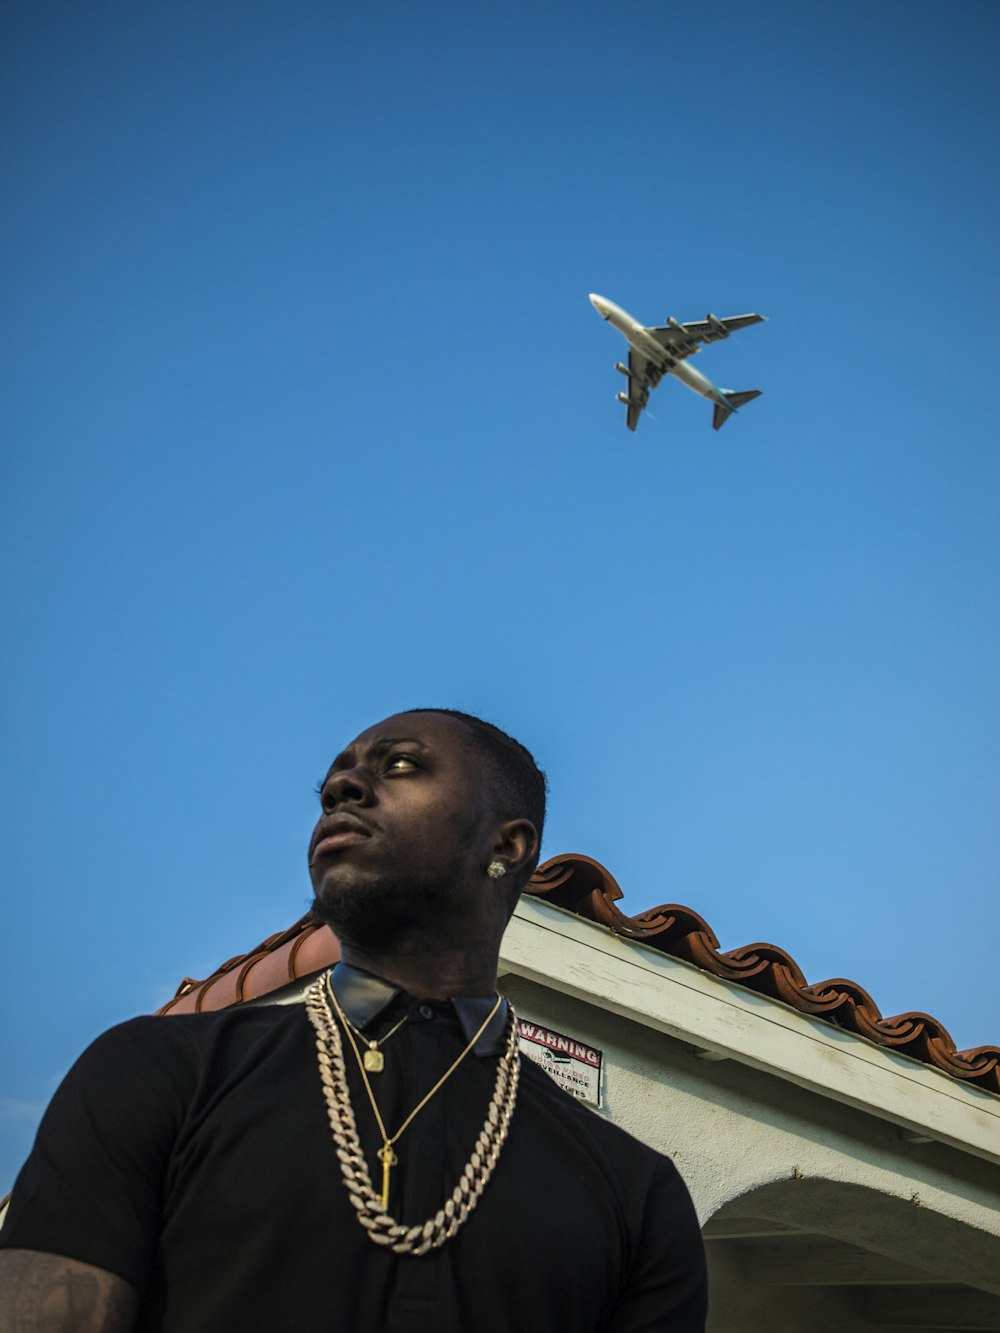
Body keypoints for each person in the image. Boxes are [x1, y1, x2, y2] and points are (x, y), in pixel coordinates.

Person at [0, 709, 707, 1331]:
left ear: (506, 846)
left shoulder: (635, 1193)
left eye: (400, 765)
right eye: (331, 783)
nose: (342, 788)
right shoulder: (158, 1071)